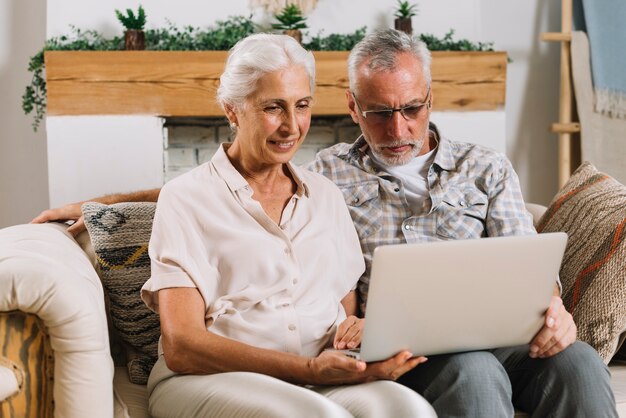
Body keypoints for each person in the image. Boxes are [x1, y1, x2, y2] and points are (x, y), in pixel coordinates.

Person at [33, 29, 617, 417]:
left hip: (489, 333)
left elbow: (525, 262)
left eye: (412, 109)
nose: (399, 129)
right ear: (355, 107)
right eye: (380, 113)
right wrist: (99, 205)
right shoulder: (330, 174)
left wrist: (555, 309)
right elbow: (230, 183)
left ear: (430, 99)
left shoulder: (477, 168)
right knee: (471, 371)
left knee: (578, 360)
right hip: (411, 351)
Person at [138, 33, 435, 418]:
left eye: (302, 105)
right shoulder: (185, 198)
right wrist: (308, 369)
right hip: (209, 377)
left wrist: (351, 335)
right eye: (273, 108)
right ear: (232, 110)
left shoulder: (326, 195)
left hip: (319, 377)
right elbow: (182, 345)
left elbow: (343, 306)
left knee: (407, 408)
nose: (292, 126)